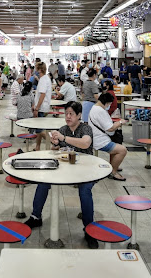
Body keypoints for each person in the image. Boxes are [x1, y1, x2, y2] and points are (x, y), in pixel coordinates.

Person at [24, 101, 98, 248]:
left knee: (85, 191)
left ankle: (89, 229)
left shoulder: (86, 128)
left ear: (79, 115)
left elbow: (85, 144)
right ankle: (35, 216)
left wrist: (63, 139)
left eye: (71, 114)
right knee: (43, 181)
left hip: (86, 170)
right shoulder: (63, 128)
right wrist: (56, 144)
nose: (68, 117)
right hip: (65, 167)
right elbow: (56, 148)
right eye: (66, 114)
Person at [88, 93, 127, 181]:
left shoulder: (95, 108)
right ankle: (113, 172)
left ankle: (113, 165)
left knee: (116, 147)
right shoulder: (100, 111)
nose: (109, 106)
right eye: (109, 104)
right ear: (105, 102)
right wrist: (120, 122)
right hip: (101, 141)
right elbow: (110, 128)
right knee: (122, 150)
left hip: (98, 137)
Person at [33, 62, 52, 150]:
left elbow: (42, 95)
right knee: (39, 130)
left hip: (41, 108)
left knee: (40, 130)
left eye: (36, 69)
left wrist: (37, 108)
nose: (35, 71)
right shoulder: (44, 78)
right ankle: (38, 147)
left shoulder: (44, 79)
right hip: (41, 106)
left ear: (40, 70)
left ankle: (54, 143)